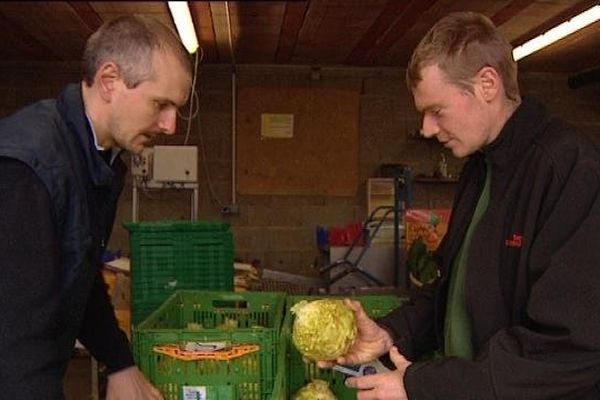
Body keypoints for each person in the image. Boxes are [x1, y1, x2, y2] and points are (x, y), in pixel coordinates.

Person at [323, 11, 600, 399]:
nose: (426, 129)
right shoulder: (480, 169)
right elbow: (452, 291)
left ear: (488, 84)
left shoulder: (569, 170)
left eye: (437, 111)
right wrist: (391, 333)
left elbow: (568, 349)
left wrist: (425, 386)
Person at [0, 15, 192, 399]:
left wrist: (118, 362)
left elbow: (78, 272)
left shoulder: (92, 159)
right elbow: (17, 341)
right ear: (109, 81)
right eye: (161, 104)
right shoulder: (27, 169)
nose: (171, 125)